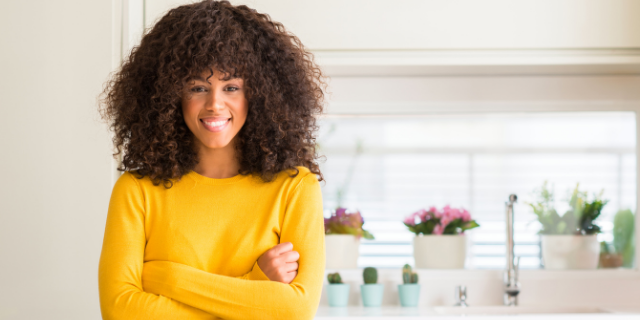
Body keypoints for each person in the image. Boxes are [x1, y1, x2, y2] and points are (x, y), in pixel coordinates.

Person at [97, 1, 327, 319]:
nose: (215, 104)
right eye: (197, 87)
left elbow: (296, 309)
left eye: (231, 87)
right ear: (170, 96)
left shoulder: (295, 188)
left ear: (258, 95)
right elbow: (119, 311)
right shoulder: (136, 190)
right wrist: (257, 285)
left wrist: (169, 279)